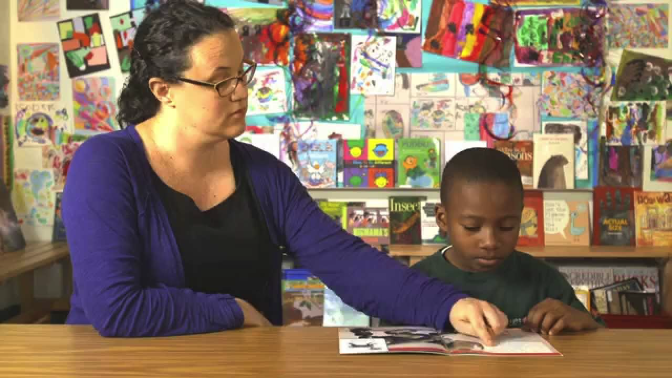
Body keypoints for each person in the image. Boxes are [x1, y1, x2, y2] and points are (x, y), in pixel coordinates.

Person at [61, 0, 507, 341]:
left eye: (243, 73)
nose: (241, 92)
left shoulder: (262, 174)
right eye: (222, 80)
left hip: (242, 364)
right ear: (164, 90)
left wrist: (450, 305)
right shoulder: (106, 165)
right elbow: (117, 308)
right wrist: (233, 311)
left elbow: (347, 262)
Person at [399, 148, 602, 335]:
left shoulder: (544, 280)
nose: (490, 241)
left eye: (506, 227)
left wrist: (583, 322)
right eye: (472, 227)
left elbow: (600, 337)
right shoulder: (417, 282)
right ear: (443, 219)